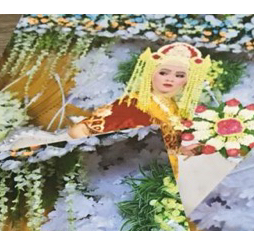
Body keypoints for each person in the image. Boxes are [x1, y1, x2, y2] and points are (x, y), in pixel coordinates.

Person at [67, 42, 211, 153]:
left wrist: (184, 151)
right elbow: (79, 130)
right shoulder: (133, 103)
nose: (170, 79)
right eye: (163, 73)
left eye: (179, 75)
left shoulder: (176, 110)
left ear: (187, 81)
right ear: (151, 74)